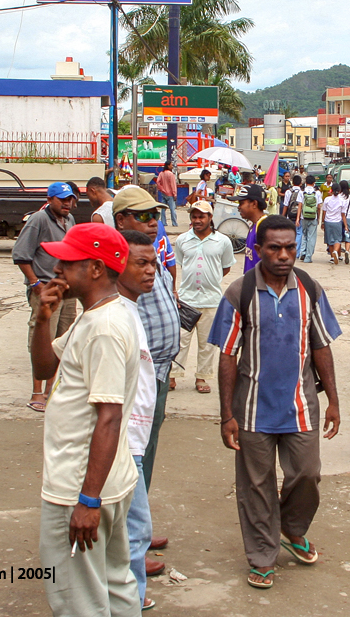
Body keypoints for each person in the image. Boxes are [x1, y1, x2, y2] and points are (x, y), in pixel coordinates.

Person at [209, 215, 342, 590]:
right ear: (258, 250)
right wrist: (226, 415)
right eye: (274, 248)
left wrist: (333, 401)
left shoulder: (310, 289)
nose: (284, 255)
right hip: (251, 409)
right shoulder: (240, 293)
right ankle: (262, 556)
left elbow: (321, 346)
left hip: (300, 406)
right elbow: (227, 355)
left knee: (307, 474)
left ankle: (291, 527)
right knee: (256, 485)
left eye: (289, 247)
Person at [30, 223, 140, 617]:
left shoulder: (104, 329)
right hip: (102, 481)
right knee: (113, 582)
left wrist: (87, 501)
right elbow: (45, 365)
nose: (57, 267)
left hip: (81, 483)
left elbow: (109, 418)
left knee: (77, 598)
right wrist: (43, 317)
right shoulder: (92, 317)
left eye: (67, 261)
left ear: (95, 268)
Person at [111, 187, 179, 573]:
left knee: (146, 451)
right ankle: (127, 541)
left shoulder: (154, 251)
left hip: (159, 371)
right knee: (130, 453)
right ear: (121, 220)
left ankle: (138, 520)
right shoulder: (117, 258)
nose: (152, 220)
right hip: (132, 374)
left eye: (154, 214)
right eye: (142, 215)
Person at [114, 230, 161, 610]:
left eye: (153, 262)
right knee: (134, 529)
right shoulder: (114, 319)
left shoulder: (130, 309)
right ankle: (130, 599)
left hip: (134, 436)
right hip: (123, 441)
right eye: (141, 263)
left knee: (131, 527)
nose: (151, 271)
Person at [13, 181, 78, 413]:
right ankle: (37, 391)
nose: (68, 204)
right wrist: (35, 283)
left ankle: (52, 387)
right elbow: (21, 255)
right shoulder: (39, 220)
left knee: (63, 339)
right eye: (63, 200)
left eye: (70, 199)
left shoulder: (69, 221)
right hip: (46, 287)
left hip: (67, 288)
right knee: (43, 339)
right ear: (50, 200)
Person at [172, 200, 235, 394]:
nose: (197, 220)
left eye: (201, 216)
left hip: (212, 300)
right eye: (194, 216)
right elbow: (180, 264)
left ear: (210, 218)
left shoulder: (223, 241)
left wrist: (211, 279)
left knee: (207, 344)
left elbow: (226, 267)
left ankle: (202, 378)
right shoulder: (182, 240)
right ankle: (172, 375)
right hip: (186, 300)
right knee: (180, 340)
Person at [234, 184, 268, 274]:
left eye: (241, 203)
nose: (239, 207)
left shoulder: (264, 227)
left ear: (254, 204)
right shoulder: (254, 225)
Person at [321, 181, 348, 265]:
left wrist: (322, 222)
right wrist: (346, 226)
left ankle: (332, 257)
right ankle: (336, 251)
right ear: (340, 191)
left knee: (329, 239)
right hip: (337, 222)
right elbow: (343, 215)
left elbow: (324, 212)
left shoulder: (327, 199)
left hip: (328, 221)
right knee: (337, 239)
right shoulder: (342, 200)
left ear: (331, 190)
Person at [296, 176, 322, 264]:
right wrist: (318, 217)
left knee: (304, 235)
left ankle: (303, 252)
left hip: (304, 217)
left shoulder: (302, 192)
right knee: (311, 237)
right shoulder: (317, 193)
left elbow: (300, 205)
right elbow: (319, 206)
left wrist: (298, 218)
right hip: (313, 217)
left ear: (305, 182)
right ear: (314, 183)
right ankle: (308, 257)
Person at [156, 161, 179, 227]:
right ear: (168, 166)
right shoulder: (170, 174)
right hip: (170, 194)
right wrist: (174, 194)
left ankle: (163, 222)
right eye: (171, 165)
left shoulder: (161, 173)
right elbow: (173, 185)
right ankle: (174, 223)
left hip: (163, 193)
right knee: (172, 209)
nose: (172, 166)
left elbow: (158, 182)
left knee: (163, 209)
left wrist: (162, 189)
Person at [339, 180, 350, 254]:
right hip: (348, 218)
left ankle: (338, 252)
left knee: (338, 235)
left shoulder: (338, 197)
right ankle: (347, 250)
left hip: (338, 218)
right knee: (348, 235)